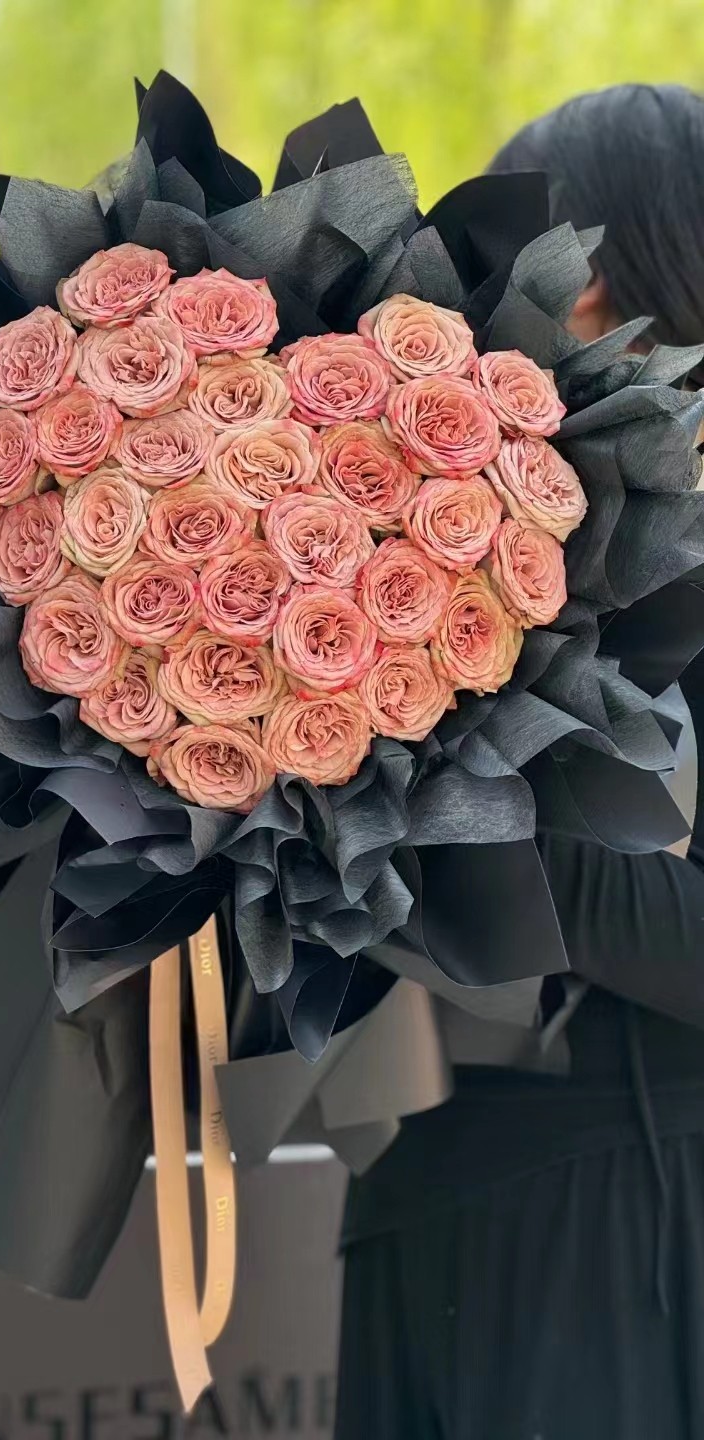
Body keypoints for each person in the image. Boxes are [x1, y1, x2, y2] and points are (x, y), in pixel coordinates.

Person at [335, 83, 704, 1440]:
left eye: (538, 266)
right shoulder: (420, 526)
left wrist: (443, 795)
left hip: (625, 1230)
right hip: (431, 1196)